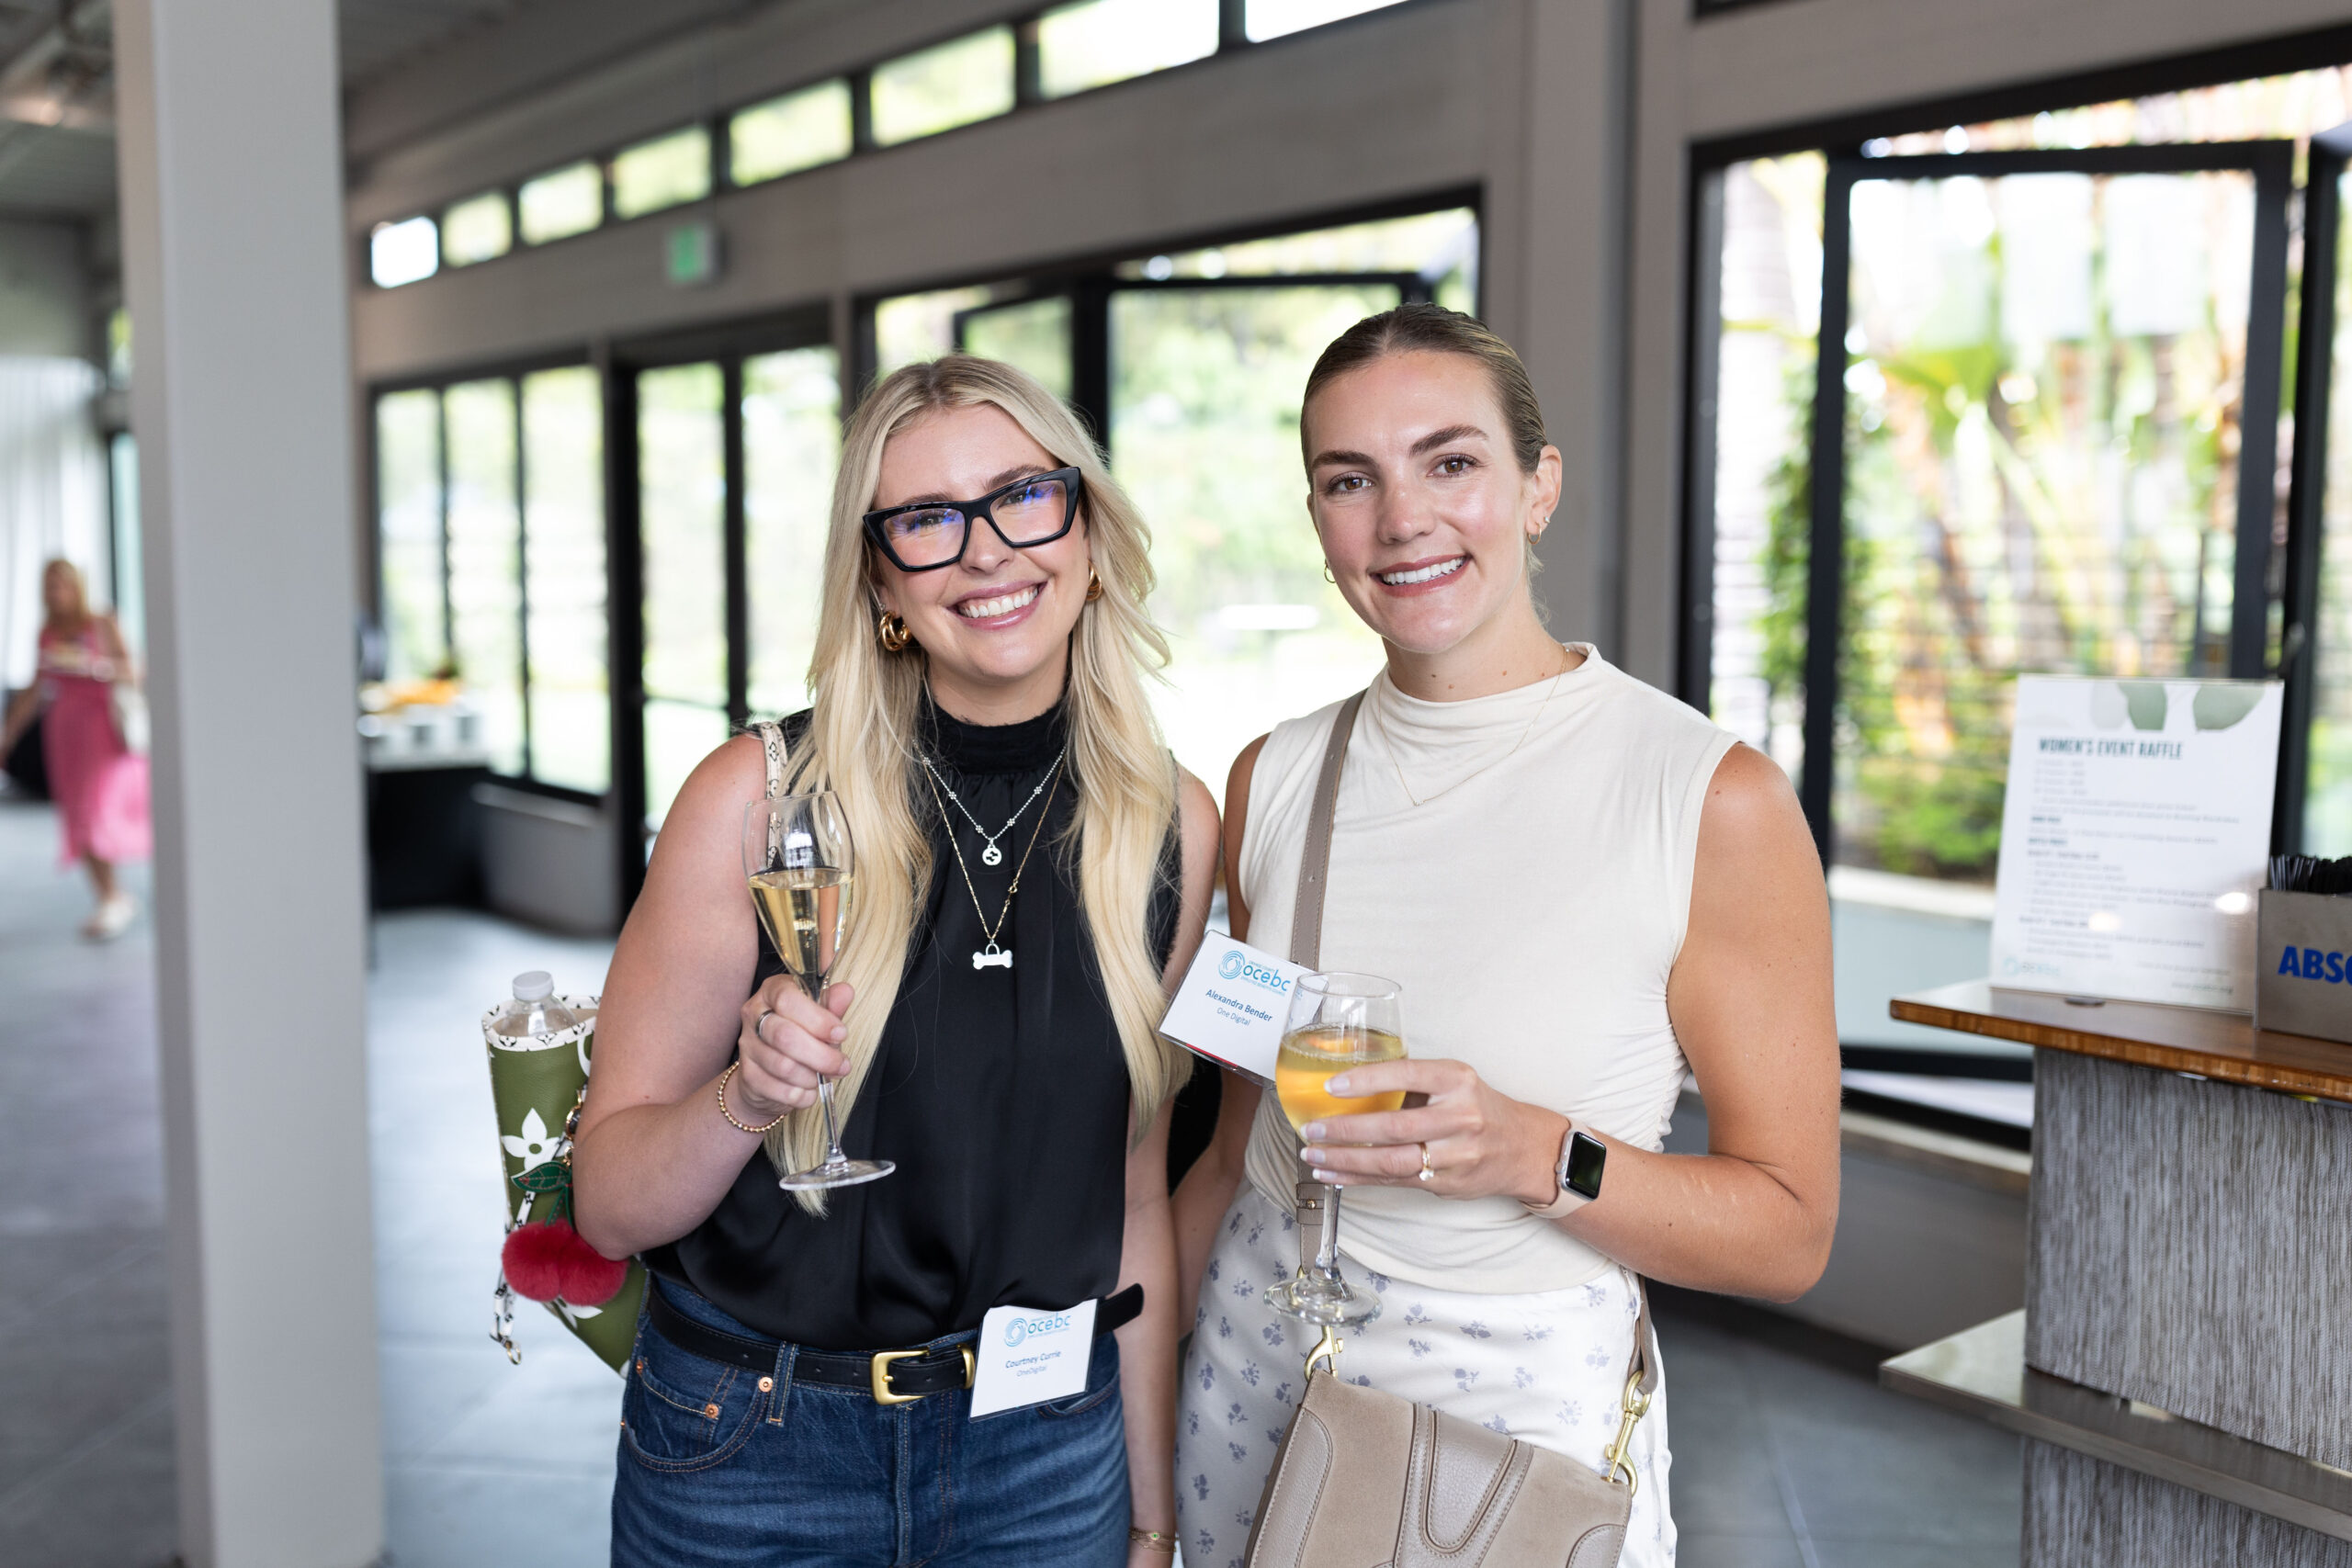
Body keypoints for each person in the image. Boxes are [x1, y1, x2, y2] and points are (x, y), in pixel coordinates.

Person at [1170, 305, 1841, 1568]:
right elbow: (1229, 1159)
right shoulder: (1275, 777)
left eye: (1451, 462)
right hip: (1252, 1378)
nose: (1402, 519)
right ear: (1318, 522)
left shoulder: (1708, 798)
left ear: (1539, 488)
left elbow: (1788, 1231)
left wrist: (1536, 1152)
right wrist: (1132, 1436)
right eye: (1349, 480)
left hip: (1513, 1432)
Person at [573, 355, 1221, 1568]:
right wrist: (747, 1095)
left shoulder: (1166, 825)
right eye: (926, 519)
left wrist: (1150, 1513)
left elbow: (1131, 1199)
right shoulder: (756, 800)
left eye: (1022, 495)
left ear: (1085, 528)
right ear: (879, 576)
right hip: (752, 1449)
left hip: (1043, 1457)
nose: (986, 551)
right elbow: (608, 1204)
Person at [1, 558, 149, 939]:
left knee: (96, 811)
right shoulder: (47, 632)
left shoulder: (102, 623)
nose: (55, 593)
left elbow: (135, 670)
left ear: (76, 586)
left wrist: (93, 666)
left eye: (61, 585)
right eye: (49, 586)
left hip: (101, 732)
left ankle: (113, 897)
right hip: (65, 734)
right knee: (79, 816)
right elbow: (35, 689)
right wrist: (8, 734)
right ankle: (110, 896)